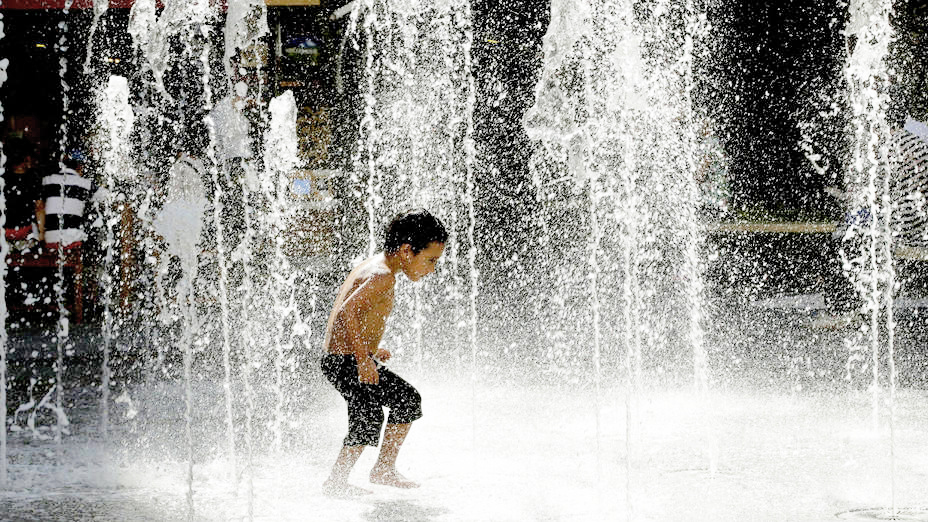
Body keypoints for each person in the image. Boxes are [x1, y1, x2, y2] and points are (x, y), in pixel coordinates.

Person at [320, 209, 448, 497]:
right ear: (406, 251)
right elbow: (347, 312)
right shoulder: (383, 276)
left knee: (404, 400)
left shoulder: (378, 266)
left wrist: (369, 348)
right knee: (369, 413)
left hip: (348, 357)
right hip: (346, 361)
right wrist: (363, 359)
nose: (431, 269)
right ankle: (339, 481)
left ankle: (381, 469)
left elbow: (355, 315)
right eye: (430, 260)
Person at [42, 150, 102, 249]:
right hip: (72, 239)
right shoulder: (84, 184)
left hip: (50, 238)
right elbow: (107, 196)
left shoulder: (47, 180)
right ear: (79, 166)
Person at [2, 137, 45, 249]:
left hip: (4, 232)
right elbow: (39, 208)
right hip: (25, 233)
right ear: (26, 158)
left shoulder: (3, 178)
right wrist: (41, 233)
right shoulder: (33, 178)